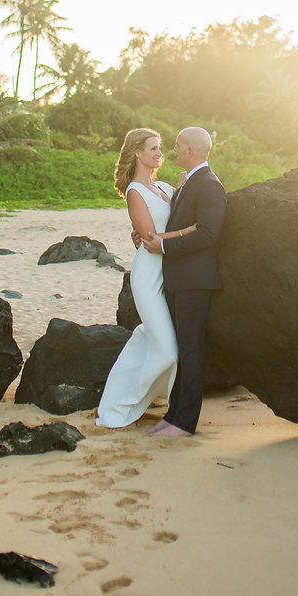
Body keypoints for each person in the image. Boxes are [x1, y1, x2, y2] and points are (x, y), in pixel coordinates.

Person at [95, 128, 196, 430]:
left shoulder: (163, 186)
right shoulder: (134, 192)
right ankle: (118, 409)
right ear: (137, 152)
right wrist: (192, 233)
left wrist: (184, 187)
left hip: (169, 274)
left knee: (149, 338)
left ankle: (123, 397)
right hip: (148, 277)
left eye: (160, 148)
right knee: (166, 349)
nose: (158, 153)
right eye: (152, 148)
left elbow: (181, 214)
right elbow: (151, 239)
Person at [141, 125, 225, 438]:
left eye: (177, 146)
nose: (172, 151)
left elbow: (207, 233)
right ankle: (173, 414)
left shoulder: (209, 185)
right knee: (180, 350)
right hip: (180, 279)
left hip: (195, 281)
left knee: (191, 351)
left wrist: (163, 246)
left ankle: (185, 422)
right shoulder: (189, 181)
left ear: (190, 150)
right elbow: (180, 224)